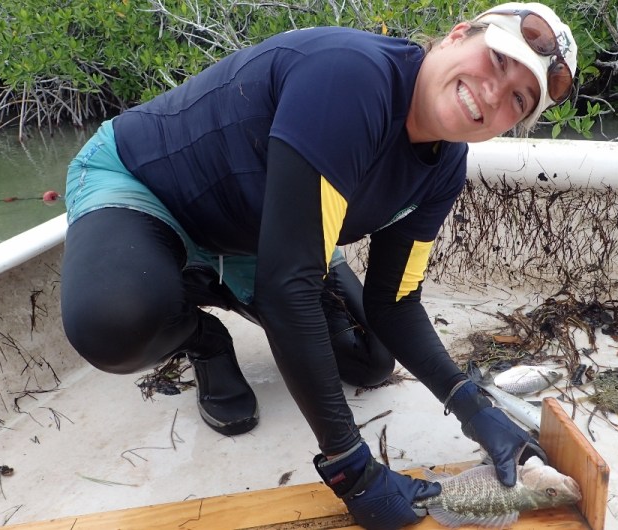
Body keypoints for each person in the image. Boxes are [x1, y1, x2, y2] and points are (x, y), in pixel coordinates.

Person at [60, 2, 577, 529]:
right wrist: (350, 467)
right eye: (497, 60)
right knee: (114, 323)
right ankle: (204, 340)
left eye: (519, 99)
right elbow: (290, 289)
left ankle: (212, 288)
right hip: (149, 188)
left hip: (265, 236)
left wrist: (474, 407)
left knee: (370, 359)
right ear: (456, 36)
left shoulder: (445, 167)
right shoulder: (351, 76)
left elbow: (395, 302)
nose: (493, 92)